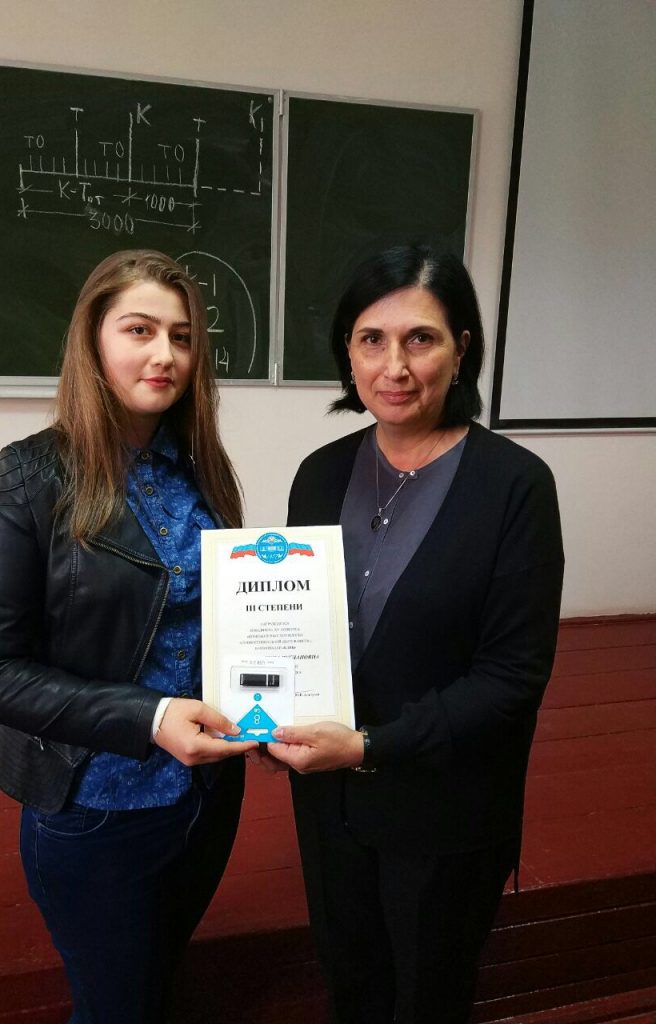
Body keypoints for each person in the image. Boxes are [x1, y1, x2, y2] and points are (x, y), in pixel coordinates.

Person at [0, 249, 257, 1024]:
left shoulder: (199, 469)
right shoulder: (30, 476)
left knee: (159, 984)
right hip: (97, 807)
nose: (166, 354)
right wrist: (150, 718)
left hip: (205, 795)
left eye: (182, 336)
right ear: (93, 338)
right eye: (140, 330)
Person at [265, 245, 564, 1023]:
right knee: (351, 986)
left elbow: (511, 678)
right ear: (348, 351)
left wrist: (369, 746)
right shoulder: (319, 474)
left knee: (429, 999)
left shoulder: (515, 486)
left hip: (444, 812)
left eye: (420, 339)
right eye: (372, 339)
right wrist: (261, 705)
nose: (394, 366)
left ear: (461, 348)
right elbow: (293, 627)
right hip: (328, 804)